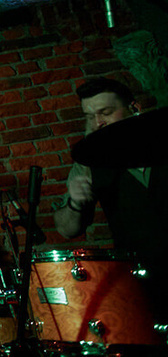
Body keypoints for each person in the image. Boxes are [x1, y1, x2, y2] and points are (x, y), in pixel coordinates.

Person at [53, 77, 168, 320]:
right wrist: (75, 201)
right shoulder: (89, 163)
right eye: (89, 116)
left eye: (105, 112)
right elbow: (67, 229)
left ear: (134, 108)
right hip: (142, 285)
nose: (97, 123)